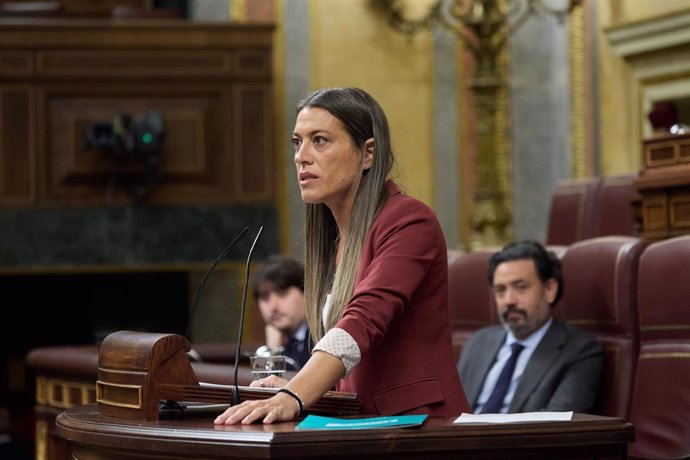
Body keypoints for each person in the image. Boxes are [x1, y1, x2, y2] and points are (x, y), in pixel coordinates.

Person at [215, 87, 470, 425]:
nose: (301, 156)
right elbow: (352, 377)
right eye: (297, 142)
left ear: (368, 154)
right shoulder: (334, 241)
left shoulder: (410, 221)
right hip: (359, 428)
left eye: (319, 140)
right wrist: (295, 386)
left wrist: (295, 394)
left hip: (419, 428)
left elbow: (364, 320)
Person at [457, 241, 603, 414]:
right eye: (500, 290)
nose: (509, 300)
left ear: (550, 289)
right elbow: (450, 413)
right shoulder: (478, 343)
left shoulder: (579, 351)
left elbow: (557, 429)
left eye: (520, 287)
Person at [253, 255, 310, 370]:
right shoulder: (279, 340)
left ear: (305, 292)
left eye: (282, 293)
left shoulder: (323, 335)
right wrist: (272, 351)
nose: (273, 306)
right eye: (265, 297)